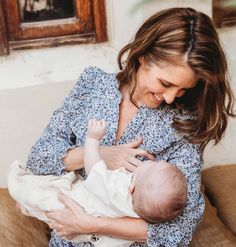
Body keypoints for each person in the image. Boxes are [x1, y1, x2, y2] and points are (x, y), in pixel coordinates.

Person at [22, 7, 235, 247]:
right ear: (143, 55)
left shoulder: (183, 125)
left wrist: (91, 224)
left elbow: (180, 229)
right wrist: (100, 154)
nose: (170, 98)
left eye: (183, 89)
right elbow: (38, 160)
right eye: (165, 83)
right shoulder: (92, 86)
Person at [8, 119, 187, 246]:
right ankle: (28, 206)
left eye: (148, 166)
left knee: (31, 192)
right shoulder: (145, 211)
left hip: (71, 205)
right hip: (90, 237)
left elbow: (94, 168)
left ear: (131, 187)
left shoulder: (117, 189)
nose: (150, 162)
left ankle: (20, 189)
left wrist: (93, 141)